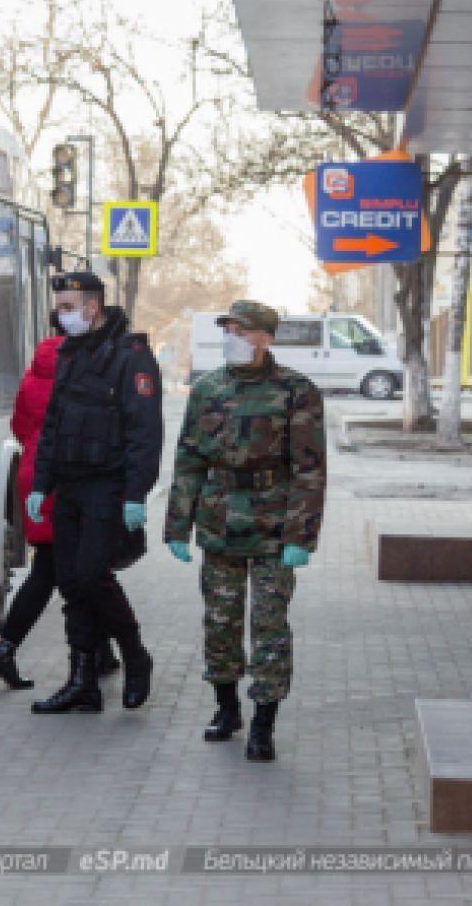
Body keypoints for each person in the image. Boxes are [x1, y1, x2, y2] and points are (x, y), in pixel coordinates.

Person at [163, 300, 326, 762]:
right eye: (228, 329)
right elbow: (189, 460)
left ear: (265, 339)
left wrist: (301, 537)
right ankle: (227, 709)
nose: (232, 337)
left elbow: (310, 471)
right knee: (221, 620)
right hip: (219, 523)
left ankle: (264, 724)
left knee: (270, 626)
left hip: (275, 524)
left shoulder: (297, 391)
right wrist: (178, 525)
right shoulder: (207, 389)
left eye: (241, 331)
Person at [26, 271, 162, 713]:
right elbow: (52, 426)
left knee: (91, 576)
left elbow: (145, 431)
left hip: (108, 485)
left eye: (67, 307)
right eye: (59, 308)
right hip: (69, 487)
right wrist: (41, 483)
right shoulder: (69, 352)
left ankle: (135, 655)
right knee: (69, 583)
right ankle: (82, 681)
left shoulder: (131, 356)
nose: (60, 316)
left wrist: (137, 494)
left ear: (92, 307)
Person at [0, 301, 123, 689]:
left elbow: (19, 425)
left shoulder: (36, 370)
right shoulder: (89, 365)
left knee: (67, 569)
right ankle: (9, 650)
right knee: (67, 571)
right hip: (70, 476)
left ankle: (98, 652)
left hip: (35, 475)